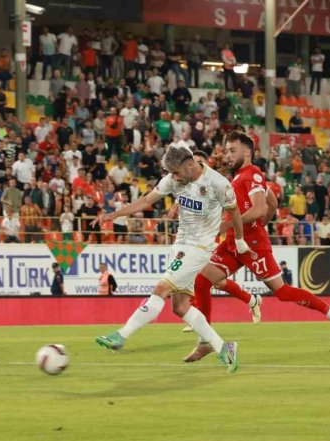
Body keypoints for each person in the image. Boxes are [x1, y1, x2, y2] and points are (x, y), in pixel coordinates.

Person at [184, 131, 330, 362]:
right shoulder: (239, 178)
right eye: (226, 150)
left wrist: (234, 226)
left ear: (247, 151)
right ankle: (206, 341)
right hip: (234, 243)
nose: (228, 155)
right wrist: (253, 224)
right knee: (202, 280)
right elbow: (271, 203)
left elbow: (260, 208)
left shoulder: (252, 174)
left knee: (282, 292)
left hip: (253, 245)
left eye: (232, 150)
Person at [94, 143, 250, 373]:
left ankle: (121, 336)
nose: (173, 178)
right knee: (180, 307)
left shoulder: (217, 183)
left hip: (199, 247)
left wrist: (238, 240)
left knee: (161, 289)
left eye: (176, 172)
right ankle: (223, 347)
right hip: (181, 245)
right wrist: (114, 214)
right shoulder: (174, 178)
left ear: (190, 164)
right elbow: (147, 200)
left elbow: (235, 212)